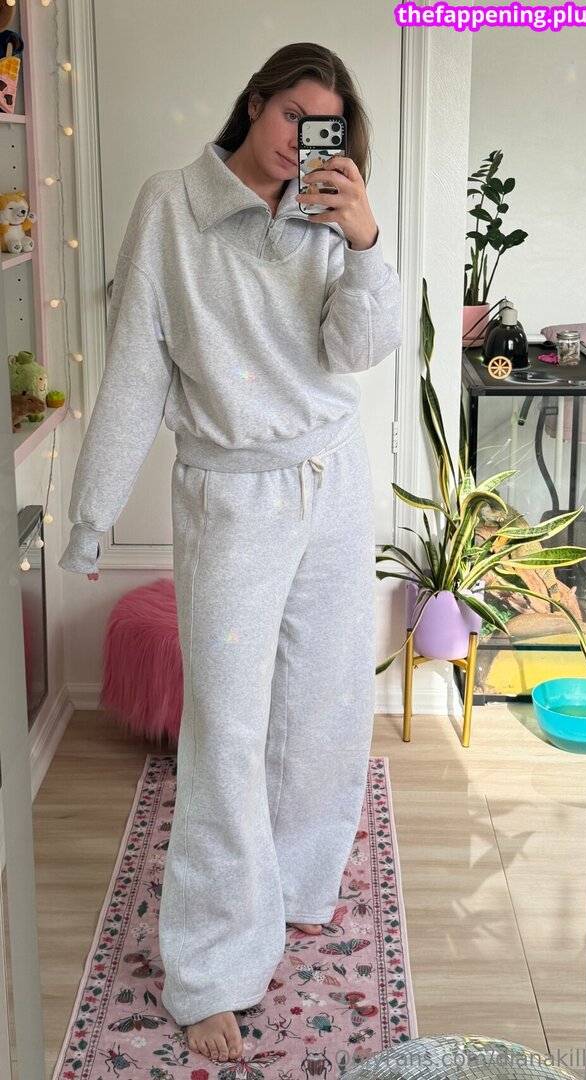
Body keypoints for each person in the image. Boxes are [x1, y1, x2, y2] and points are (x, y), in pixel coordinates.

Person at [59, 41, 401, 1067]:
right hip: (233, 491)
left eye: (322, 125)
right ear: (255, 102)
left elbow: (355, 351)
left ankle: (293, 885)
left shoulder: (330, 216)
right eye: (292, 114)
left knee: (324, 700)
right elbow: (135, 368)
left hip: (332, 475)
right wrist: (91, 515)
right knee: (226, 729)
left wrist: (364, 242)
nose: (302, 139)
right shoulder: (172, 205)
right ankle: (210, 966)